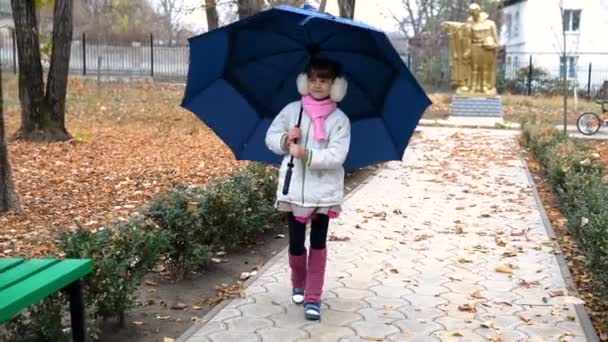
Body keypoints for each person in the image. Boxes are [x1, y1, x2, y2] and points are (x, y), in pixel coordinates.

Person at [265, 57, 351, 320]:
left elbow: (337, 155)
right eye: (312, 79)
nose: (317, 84)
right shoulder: (293, 111)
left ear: (335, 86)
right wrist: (285, 139)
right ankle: (298, 281)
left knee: (318, 243)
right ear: (304, 81)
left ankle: (313, 297)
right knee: (294, 244)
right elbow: (270, 137)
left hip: (324, 193)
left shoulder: (339, 120)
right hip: (295, 192)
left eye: (324, 80)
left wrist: (307, 153)